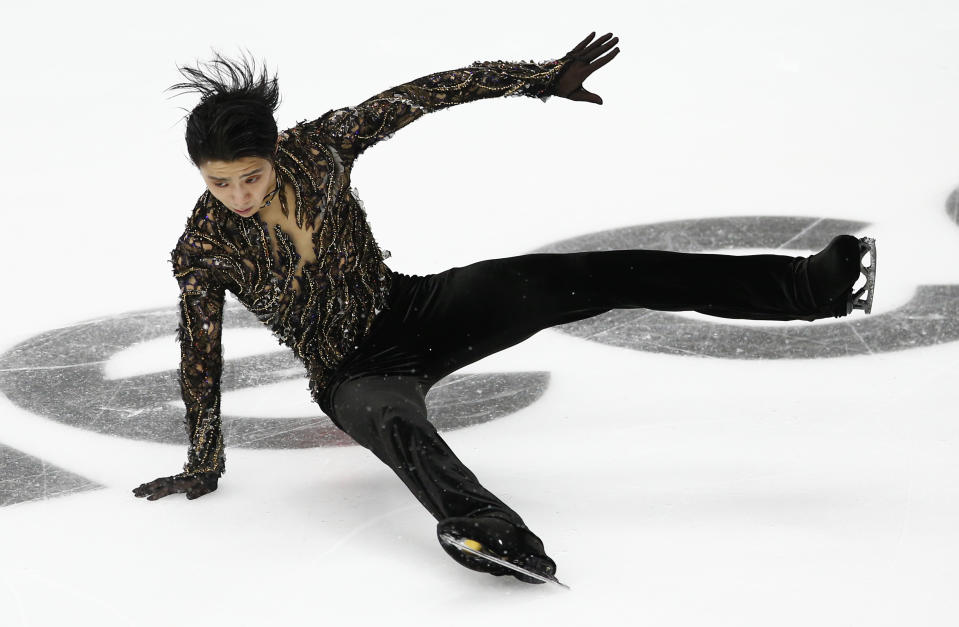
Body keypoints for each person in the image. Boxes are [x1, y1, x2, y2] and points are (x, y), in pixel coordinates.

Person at [133, 32, 876, 584]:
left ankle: (809, 289)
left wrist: (538, 78)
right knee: (399, 427)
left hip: (415, 307)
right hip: (349, 371)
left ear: (273, 152)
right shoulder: (202, 250)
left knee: (586, 275)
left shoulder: (322, 146)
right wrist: (204, 460)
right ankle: (488, 530)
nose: (238, 196)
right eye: (219, 183)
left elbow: (427, 92)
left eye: (249, 176)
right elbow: (201, 358)